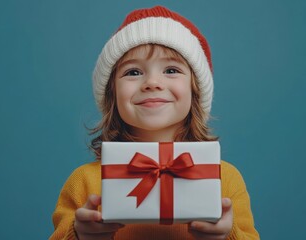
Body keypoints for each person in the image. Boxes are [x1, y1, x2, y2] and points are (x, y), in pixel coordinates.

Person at [50, 5, 260, 240]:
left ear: (195, 92)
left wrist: (226, 235)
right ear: (112, 95)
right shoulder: (83, 181)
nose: (152, 82)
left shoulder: (226, 178)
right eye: (133, 72)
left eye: (171, 69)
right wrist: (79, 234)